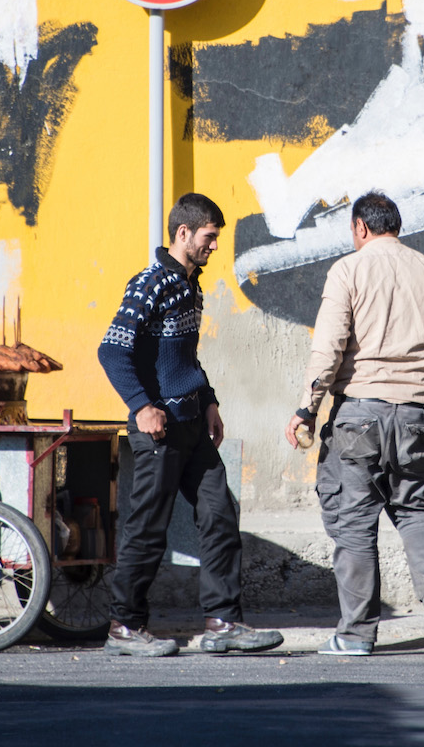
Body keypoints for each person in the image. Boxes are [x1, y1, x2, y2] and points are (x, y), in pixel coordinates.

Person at [285, 192, 424, 656]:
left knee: (353, 521)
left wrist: (307, 407)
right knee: (416, 508)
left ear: (360, 229)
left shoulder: (348, 270)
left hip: (360, 414)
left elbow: (328, 349)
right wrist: (421, 370)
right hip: (416, 415)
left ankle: (355, 635)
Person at [97, 192, 283, 657]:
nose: (215, 246)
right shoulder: (149, 283)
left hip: (193, 425)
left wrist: (210, 401)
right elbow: (112, 350)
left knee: (219, 515)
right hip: (158, 429)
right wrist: (142, 406)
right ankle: (125, 626)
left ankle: (223, 623)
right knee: (147, 527)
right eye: (209, 237)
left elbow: (181, 358)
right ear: (184, 233)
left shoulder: (189, 285)